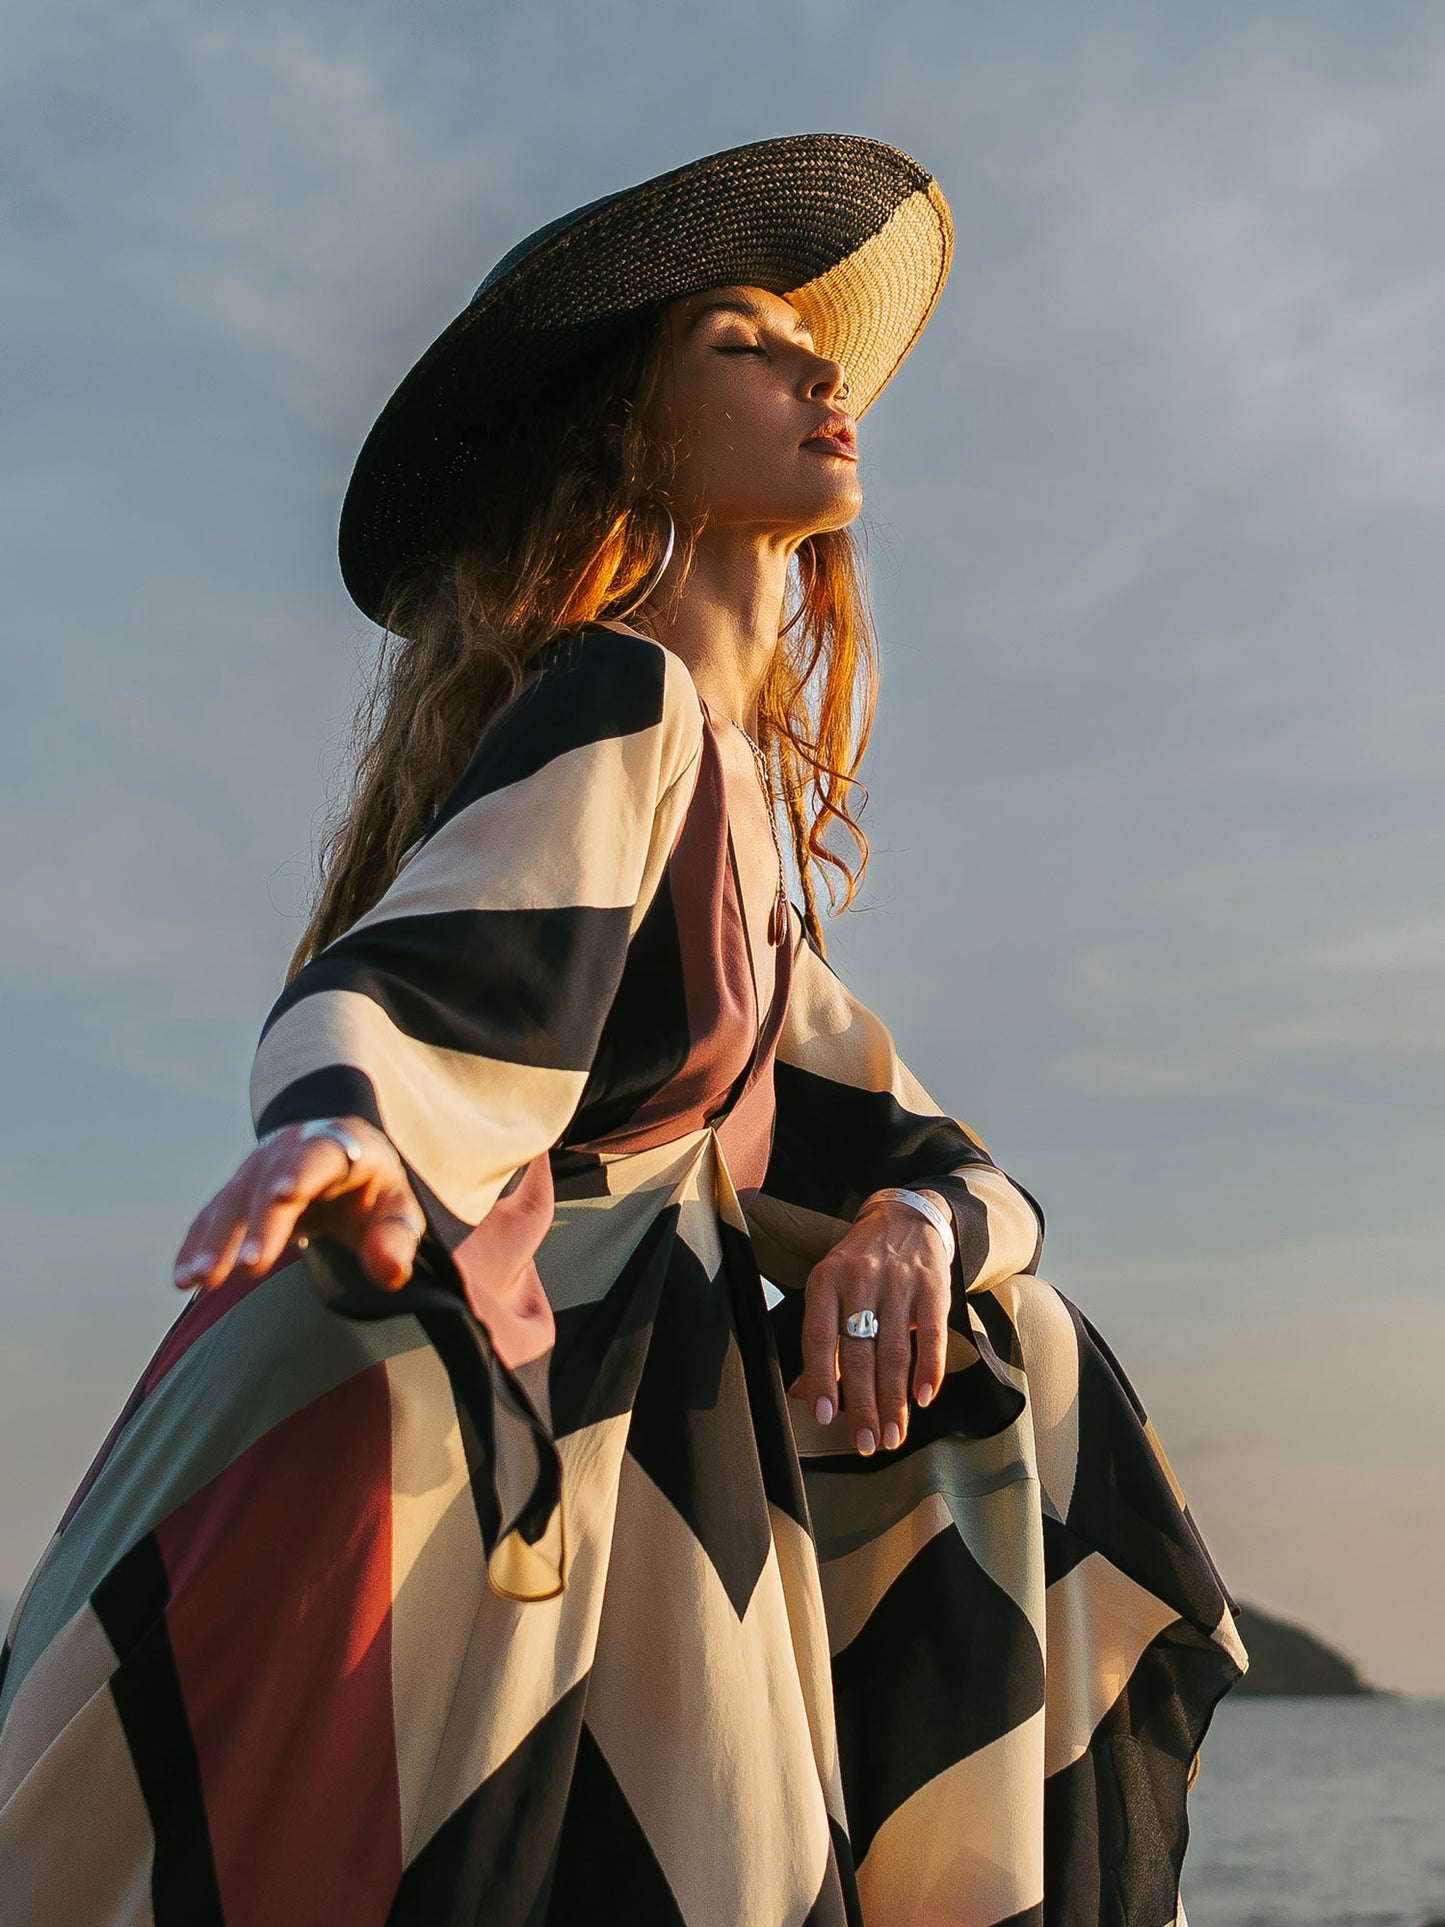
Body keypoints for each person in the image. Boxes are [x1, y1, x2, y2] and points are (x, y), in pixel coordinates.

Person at [0, 134, 1244, 1926]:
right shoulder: (626, 696)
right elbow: (445, 969)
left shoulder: (732, 822)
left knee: (1008, 1331)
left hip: (649, 1451)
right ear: (628, 433)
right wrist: (353, 1127)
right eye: (747, 341)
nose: (823, 373)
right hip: (505, 1408)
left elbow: (930, 1153)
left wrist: (908, 1229)